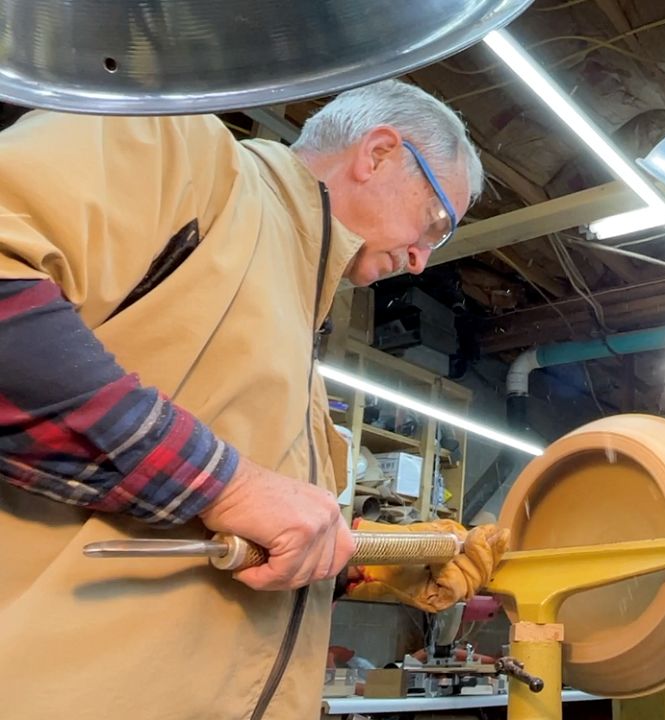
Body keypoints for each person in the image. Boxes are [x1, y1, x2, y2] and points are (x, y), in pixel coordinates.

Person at [0, 80, 504, 719]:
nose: (418, 261)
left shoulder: (302, 355)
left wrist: (368, 562)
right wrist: (228, 487)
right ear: (377, 154)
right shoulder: (179, 147)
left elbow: (232, 547)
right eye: (434, 223)